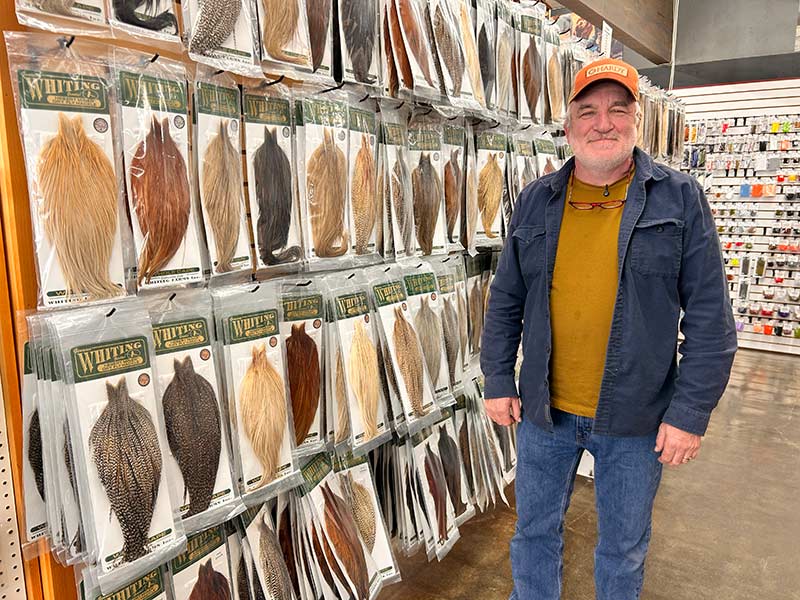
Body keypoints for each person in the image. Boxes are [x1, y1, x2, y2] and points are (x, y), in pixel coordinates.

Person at [480, 58, 737, 600]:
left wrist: (689, 414)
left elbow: (711, 317)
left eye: (617, 110)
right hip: (544, 412)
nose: (603, 124)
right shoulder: (536, 200)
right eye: (588, 111)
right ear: (568, 125)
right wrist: (498, 378)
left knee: (622, 549)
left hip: (637, 418)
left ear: (636, 121)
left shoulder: (679, 198)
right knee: (533, 535)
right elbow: (506, 299)